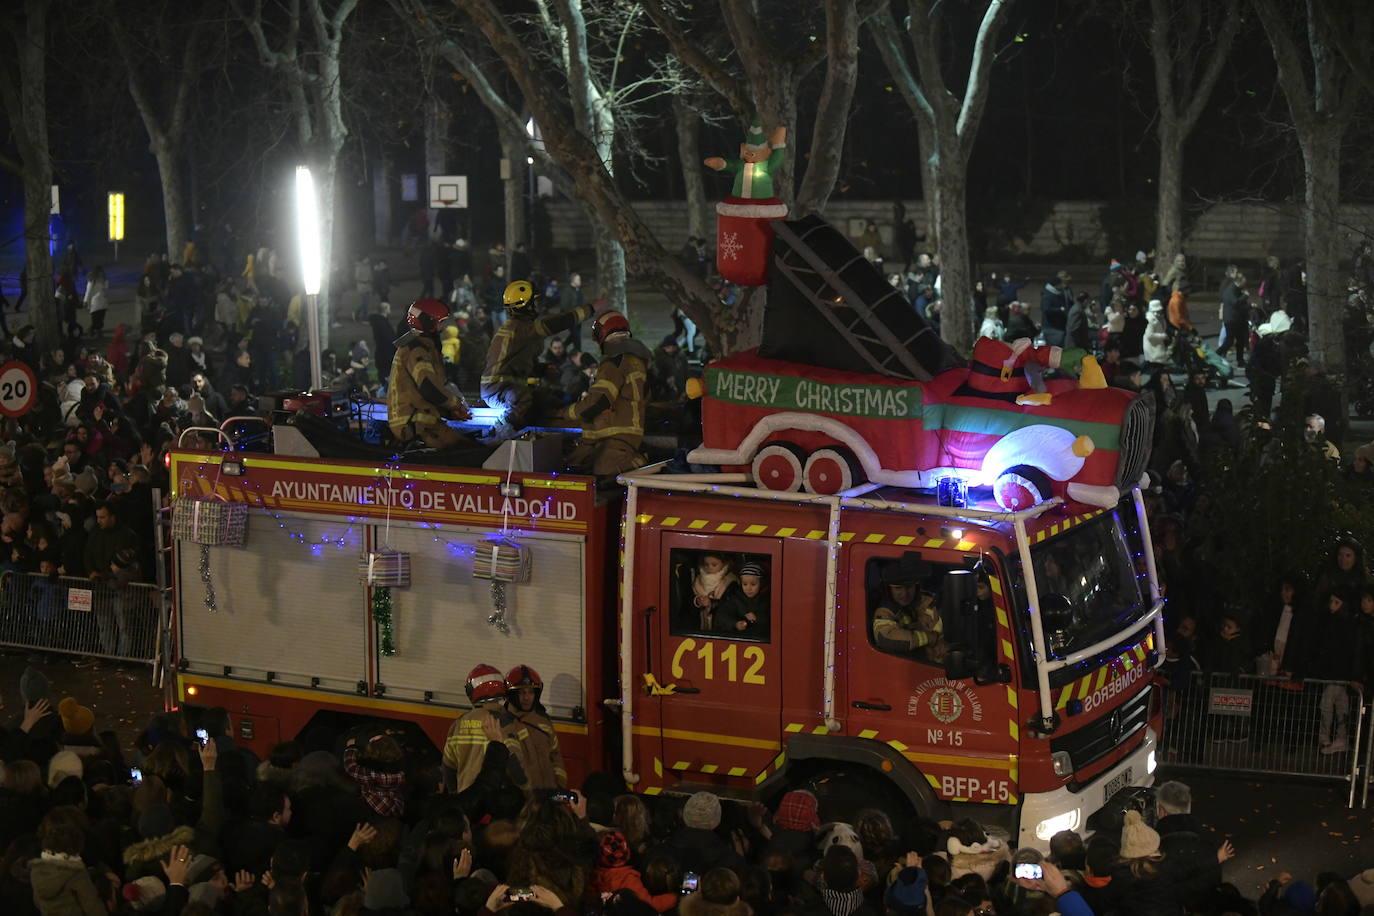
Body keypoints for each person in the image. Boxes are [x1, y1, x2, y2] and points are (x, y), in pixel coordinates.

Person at [482, 280, 593, 440]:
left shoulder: (521, 330)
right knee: (524, 398)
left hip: (505, 386)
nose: (537, 305)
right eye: (533, 302)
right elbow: (556, 323)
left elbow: (518, 364)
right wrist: (588, 310)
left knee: (551, 399)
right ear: (525, 305)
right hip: (497, 389)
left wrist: (542, 369)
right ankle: (497, 432)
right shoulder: (519, 328)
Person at [564, 310, 649, 478]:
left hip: (617, 440)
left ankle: (636, 461)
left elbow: (598, 401)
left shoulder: (614, 362)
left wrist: (566, 413)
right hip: (627, 435)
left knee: (602, 472)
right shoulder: (638, 362)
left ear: (601, 337)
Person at [386, 298, 471, 449]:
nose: (443, 327)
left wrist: (451, 413)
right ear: (428, 322)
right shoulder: (417, 349)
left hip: (420, 422)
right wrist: (456, 404)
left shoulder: (422, 346)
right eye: (441, 322)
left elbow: (426, 394)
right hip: (416, 426)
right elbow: (429, 388)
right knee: (470, 452)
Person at [442, 664, 521, 793]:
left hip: (466, 801)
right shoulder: (506, 723)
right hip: (494, 804)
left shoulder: (459, 723)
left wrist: (455, 797)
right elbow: (516, 770)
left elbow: (448, 768)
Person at [503, 664, 567, 791]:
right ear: (511, 694)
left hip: (549, 795)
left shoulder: (543, 721)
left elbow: (555, 755)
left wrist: (560, 784)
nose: (527, 698)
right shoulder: (503, 724)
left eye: (531, 692)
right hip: (523, 799)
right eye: (521, 692)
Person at [871, 559, 945, 663]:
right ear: (889, 590)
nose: (905, 593)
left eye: (909, 587)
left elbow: (940, 626)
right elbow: (887, 638)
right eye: (898, 588)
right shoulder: (884, 612)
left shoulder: (927, 602)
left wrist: (941, 642)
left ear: (916, 586)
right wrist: (929, 637)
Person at [715, 562, 769, 636]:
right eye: (745, 584)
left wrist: (757, 618)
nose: (748, 588)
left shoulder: (766, 600)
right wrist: (735, 624)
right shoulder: (736, 599)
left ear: (761, 583)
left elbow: (772, 618)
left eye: (753, 584)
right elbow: (722, 615)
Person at [689, 552, 737, 631]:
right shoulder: (697, 581)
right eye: (706, 564)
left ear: (724, 564)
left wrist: (711, 603)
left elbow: (731, 606)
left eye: (714, 565)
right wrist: (697, 601)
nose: (709, 567)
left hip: (721, 627)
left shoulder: (730, 582)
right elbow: (688, 602)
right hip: (700, 626)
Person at [83, 266, 109, 336]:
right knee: (100, 319)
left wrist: (85, 300)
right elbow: (106, 288)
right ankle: (96, 332)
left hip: (95, 303)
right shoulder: (103, 279)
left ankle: (93, 332)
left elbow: (88, 291)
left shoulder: (92, 280)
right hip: (102, 303)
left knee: (95, 319)